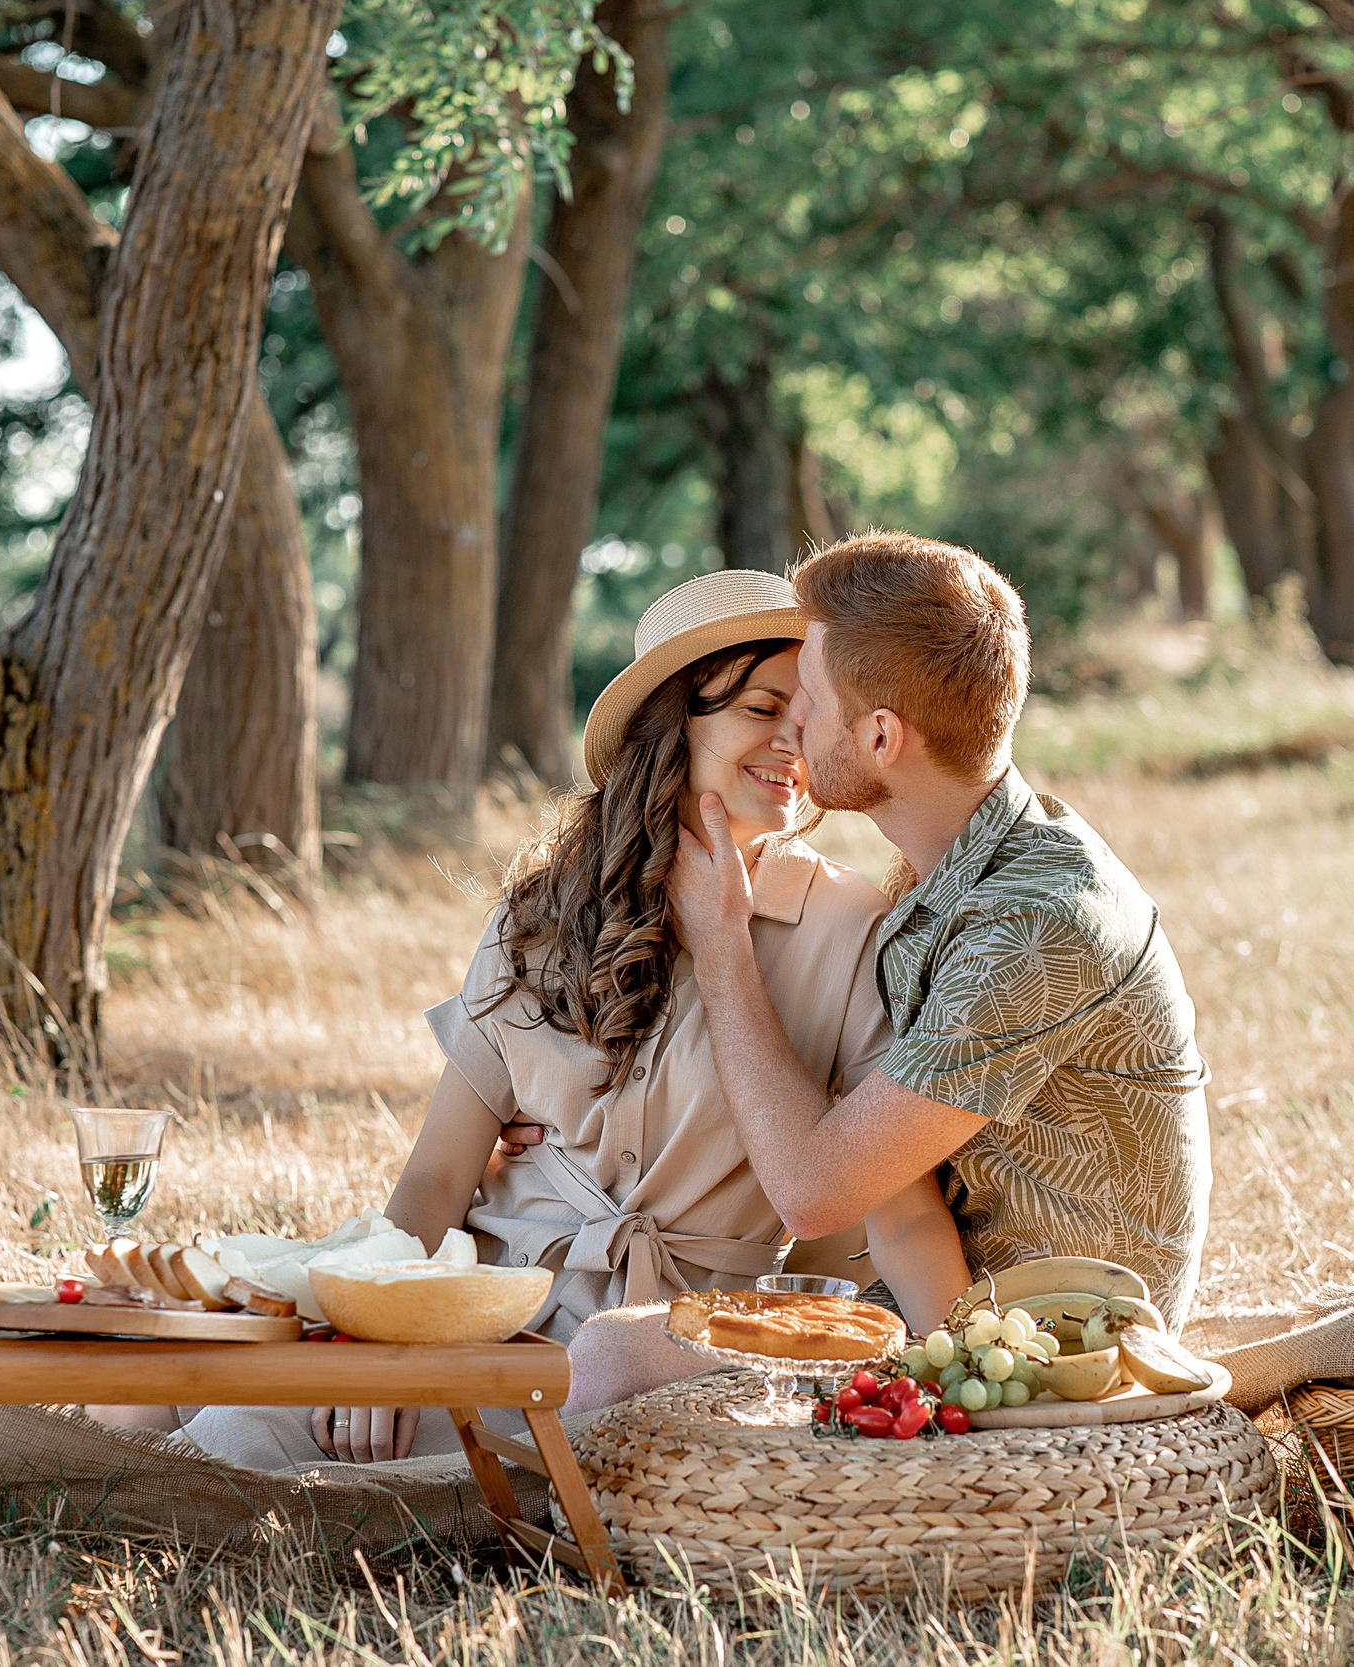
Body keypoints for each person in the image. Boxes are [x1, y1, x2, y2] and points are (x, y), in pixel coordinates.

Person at [107, 571, 972, 1468]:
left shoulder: (856, 931)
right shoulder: (543, 915)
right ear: (673, 725)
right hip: (484, 1305)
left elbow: (890, 1211)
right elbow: (438, 1180)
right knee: (156, 1392)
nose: (794, 741)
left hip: (662, 1352)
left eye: (809, 713)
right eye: (763, 708)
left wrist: (972, 1377)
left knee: (243, 1440)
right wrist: (381, 1346)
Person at [666, 533, 1212, 1327]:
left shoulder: (1034, 929)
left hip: (1046, 1346)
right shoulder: (956, 870)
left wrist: (721, 946)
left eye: (810, 697)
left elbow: (813, 1192)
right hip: (947, 1303)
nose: (794, 721)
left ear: (882, 737)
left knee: (623, 1357)